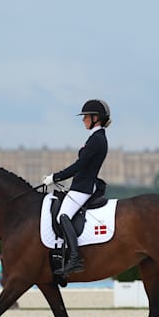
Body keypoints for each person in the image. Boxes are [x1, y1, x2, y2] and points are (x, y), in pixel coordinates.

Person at [42, 99, 111, 277]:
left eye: (86, 117)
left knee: (62, 216)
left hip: (83, 187)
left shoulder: (97, 139)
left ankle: (74, 258)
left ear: (96, 118)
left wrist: (55, 177)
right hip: (82, 184)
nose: (83, 120)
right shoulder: (96, 137)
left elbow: (79, 165)